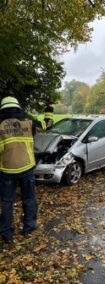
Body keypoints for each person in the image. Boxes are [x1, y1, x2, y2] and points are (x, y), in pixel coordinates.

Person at [0, 96, 42, 243]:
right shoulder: (29, 124)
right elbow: (46, 123)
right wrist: (48, 110)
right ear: (18, 108)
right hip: (27, 169)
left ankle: (6, 233)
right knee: (29, 198)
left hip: (7, 171)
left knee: (6, 202)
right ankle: (29, 226)